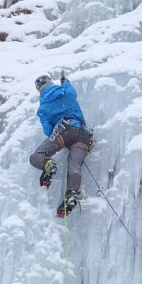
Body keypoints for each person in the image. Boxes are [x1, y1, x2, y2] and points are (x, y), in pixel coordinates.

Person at [29, 73, 92, 218]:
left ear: (39, 89)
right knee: (74, 165)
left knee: (36, 156)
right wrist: (65, 82)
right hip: (83, 134)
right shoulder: (65, 91)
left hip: (64, 129)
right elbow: (72, 93)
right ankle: (71, 194)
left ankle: (48, 164)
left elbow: (48, 131)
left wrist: (58, 137)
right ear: (51, 82)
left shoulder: (43, 106)